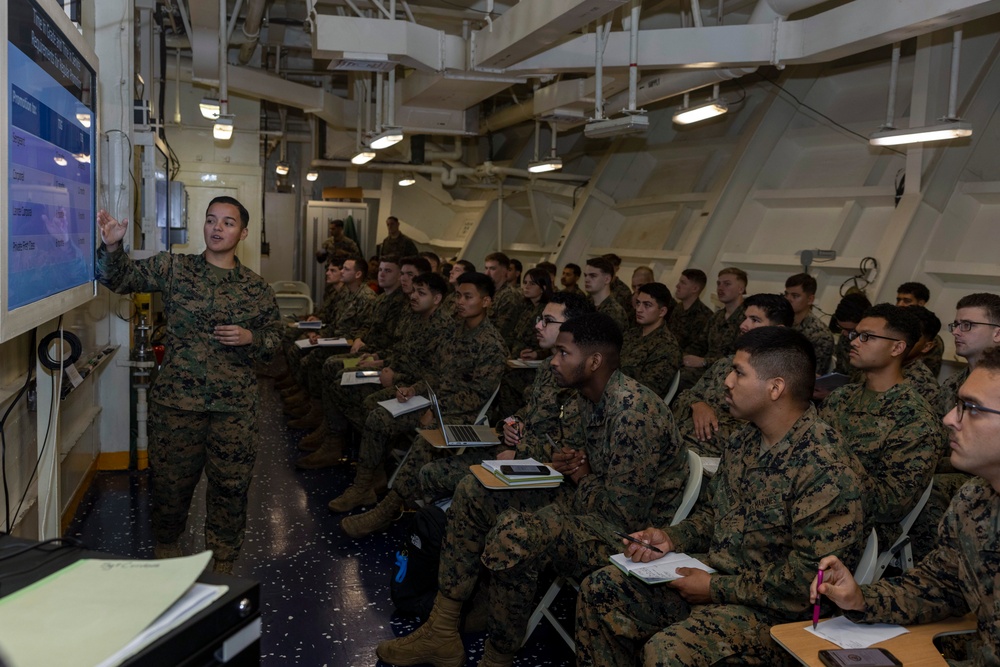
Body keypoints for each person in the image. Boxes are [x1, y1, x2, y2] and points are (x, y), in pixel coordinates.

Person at [374, 312, 689, 667]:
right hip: (590, 503)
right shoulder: (586, 398)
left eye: (563, 353)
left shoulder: (634, 413)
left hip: (632, 537)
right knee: (475, 490)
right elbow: (579, 461)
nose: (553, 361)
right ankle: (442, 629)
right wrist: (571, 463)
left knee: (516, 535)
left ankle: (497, 657)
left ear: (594, 361)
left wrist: (582, 475)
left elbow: (624, 518)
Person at [576, 326, 865, 666]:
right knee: (602, 589)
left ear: (775, 388)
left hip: (779, 615)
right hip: (721, 580)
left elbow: (808, 584)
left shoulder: (825, 466)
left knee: (669, 651)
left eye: (739, 373)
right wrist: (670, 538)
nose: (726, 382)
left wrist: (715, 588)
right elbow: (715, 517)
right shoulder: (744, 441)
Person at [95, 198, 282, 574]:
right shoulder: (174, 268)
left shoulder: (256, 288)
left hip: (234, 409)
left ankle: (223, 559)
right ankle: (167, 544)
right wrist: (113, 246)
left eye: (228, 223)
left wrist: (251, 337)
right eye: (211, 220)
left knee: (230, 488)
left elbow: (276, 341)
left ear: (243, 233)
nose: (217, 228)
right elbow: (121, 279)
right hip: (177, 405)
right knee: (170, 484)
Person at [339, 291, 594, 538]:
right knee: (415, 448)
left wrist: (518, 450)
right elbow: (526, 411)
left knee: (436, 454)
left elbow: (568, 450)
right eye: (540, 319)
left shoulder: (581, 380)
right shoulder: (548, 368)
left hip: (528, 461)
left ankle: (399, 513)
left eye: (547, 321)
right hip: (509, 446)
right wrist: (511, 423)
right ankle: (397, 507)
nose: (537, 326)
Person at [811, 347, 1000, 667]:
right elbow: (939, 586)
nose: (949, 419)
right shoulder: (973, 502)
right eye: (957, 405)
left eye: (971, 408)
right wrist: (861, 598)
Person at [326, 271, 507, 512]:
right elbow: (436, 375)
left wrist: (436, 408)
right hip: (433, 401)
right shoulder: (455, 331)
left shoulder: (492, 345)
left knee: (426, 438)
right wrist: (413, 390)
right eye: (458, 296)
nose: (460, 302)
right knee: (378, 416)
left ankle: (390, 508)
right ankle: (363, 487)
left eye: (468, 297)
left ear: (485, 301)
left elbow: (477, 396)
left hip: (461, 414)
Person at [819, 303, 946, 546]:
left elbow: (890, 505)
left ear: (897, 347)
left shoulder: (915, 419)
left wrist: (829, 470)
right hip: (814, 506)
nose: (854, 342)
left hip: (858, 529)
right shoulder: (841, 397)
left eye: (867, 337)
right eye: (856, 334)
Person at [672, 293, 792, 456]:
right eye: (745, 318)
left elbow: (755, 434)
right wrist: (698, 405)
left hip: (714, 457)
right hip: (680, 444)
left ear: (778, 331)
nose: (743, 325)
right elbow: (684, 397)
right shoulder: (725, 364)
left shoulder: (778, 380)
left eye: (755, 320)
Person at [681, 267, 747, 381]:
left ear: (741, 289)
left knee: (683, 378)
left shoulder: (747, 319)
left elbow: (739, 357)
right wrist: (683, 356)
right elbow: (699, 345)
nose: (720, 288)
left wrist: (704, 362)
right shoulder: (717, 316)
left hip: (726, 374)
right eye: (718, 284)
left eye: (727, 284)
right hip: (707, 369)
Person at [621, 282, 681, 397]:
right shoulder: (631, 334)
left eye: (647, 305)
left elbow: (646, 391)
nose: (639, 309)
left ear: (662, 311)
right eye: (638, 303)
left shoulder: (667, 347)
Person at [669, 268, 713, 392]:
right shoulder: (678, 308)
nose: (677, 286)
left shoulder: (705, 315)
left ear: (695, 289)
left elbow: (697, 349)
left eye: (683, 283)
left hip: (685, 362)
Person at [785, 272, 834, 367]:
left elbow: (816, 372)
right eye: (786, 294)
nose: (788, 299)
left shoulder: (820, 334)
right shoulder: (783, 322)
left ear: (810, 299)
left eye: (795, 296)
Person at [896, 281, 945, 375]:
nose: (900, 304)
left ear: (921, 303)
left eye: (907, 301)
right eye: (898, 300)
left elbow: (929, 371)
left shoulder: (932, 338)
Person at [583, 257, 629, 331]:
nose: (586, 279)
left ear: (607, 279)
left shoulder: (615, 312)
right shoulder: (586, 303)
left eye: (593, 276)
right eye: (585, 275)